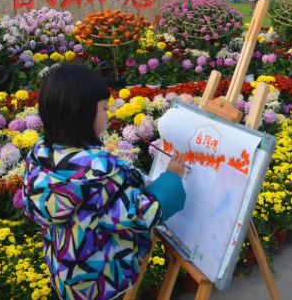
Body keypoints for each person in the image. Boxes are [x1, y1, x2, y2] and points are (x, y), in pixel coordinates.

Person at [22, 64, 186, 300]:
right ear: (81, 113)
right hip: (100, 276)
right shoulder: (99, 173)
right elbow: (145, 212)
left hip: (66, 270)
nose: (107, 115)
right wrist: (171, 178)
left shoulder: (40, 155)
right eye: (104, 109)